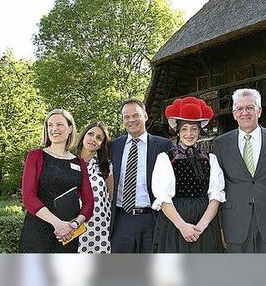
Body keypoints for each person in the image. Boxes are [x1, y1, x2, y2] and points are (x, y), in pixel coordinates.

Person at [211, 88, 266, 253]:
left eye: (250, 107)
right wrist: (220, 227)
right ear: (233, 113)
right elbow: (217, 187)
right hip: (234, 223)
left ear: (259, 111)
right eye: (239, 108)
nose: (244, 112)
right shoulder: (220, 144)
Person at [151, 96, 225, 252]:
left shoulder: (210, 159)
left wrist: (200, 227)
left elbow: (215, 197)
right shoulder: (165, 159)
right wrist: (183, 227)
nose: (189, 134)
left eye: (194, 129)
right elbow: (163, 198)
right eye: (184, 128)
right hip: (175, 222)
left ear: (200, 131)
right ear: (178, 131)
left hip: (205, 223)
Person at [19, 109, 93, 253]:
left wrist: (75, 224)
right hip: (37, 233)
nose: (54, 129)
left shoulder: (79, 163)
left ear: (70, 128)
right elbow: (28, 197)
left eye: (59, 124)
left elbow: (89, 202)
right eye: (50, 125)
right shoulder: (36, 156)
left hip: (68, 235)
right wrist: (57, 224)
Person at [110, 99, 173, 253]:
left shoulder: (164, 145)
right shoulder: (113, 146)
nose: (131, 120)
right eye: (126, 116)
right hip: (121, 219)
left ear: (145, 116)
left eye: (136, 115)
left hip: (151, 218)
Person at [76, 121, 114, 254]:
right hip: (72, 225)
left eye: (99, 138)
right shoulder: (67, 161)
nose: (93, 139)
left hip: (100, 228)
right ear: (83, 136)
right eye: (91, 134)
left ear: (101, 145)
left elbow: (110, 197)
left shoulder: (106, 167)